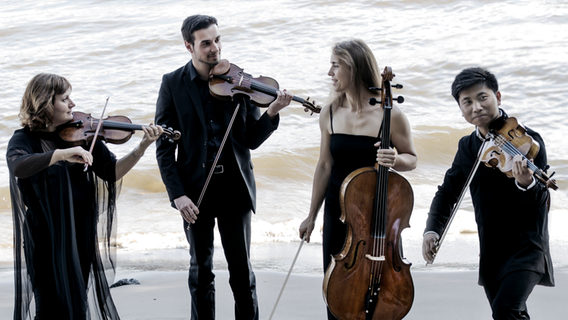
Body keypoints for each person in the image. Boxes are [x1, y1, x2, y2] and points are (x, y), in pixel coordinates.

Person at [154, 15, 292, 320]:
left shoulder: (240, 81)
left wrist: (271, 112)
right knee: (200, 271)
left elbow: (251, 140)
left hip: (234, 189)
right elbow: (164, 149)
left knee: (241, 272)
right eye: (206, 43)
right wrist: (178, 196)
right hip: (194, 193)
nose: (214, 48)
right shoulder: (172, 84)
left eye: (217, 40)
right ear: (189, 46)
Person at [7, 73, 163, 319]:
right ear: (46, 102)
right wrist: (60, 155)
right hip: (44, 238)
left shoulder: (82, 134)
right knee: (47, 309)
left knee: (77, 308)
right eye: (65, 98)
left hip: (80, 234)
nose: (73, 104)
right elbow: (18, 165)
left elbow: (111, 172)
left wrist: (141, 148)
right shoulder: (24, 139)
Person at [298, 39, 418, 320]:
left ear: (354, 68)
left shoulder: (390, 114)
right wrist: (311, 216)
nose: (330, 73)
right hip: (338, 213)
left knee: (378, 289)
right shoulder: (329, 112)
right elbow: (325, 165)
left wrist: (394, 159)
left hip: (376, 217)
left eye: (335, 65)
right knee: (337, 290)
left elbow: (411, 158)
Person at [422, 67, 554, 320]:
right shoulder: (468, 146)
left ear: (498, 97)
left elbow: (542, 200)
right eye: (467, 102)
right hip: (492, 249)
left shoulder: (528, 141)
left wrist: (526, 183)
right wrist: (432, 230)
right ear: (461, 110)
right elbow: (447, 193)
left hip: (527, 246)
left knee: (506, 310)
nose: (476, 107)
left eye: (483, 97)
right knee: (509, 314)